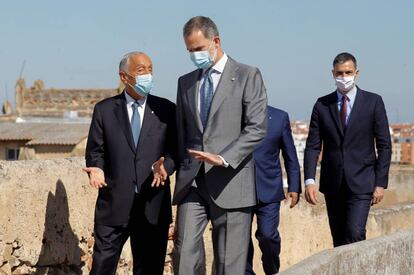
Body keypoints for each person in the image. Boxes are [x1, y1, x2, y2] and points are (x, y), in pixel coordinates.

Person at [172, 16, 268, 275]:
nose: (195, 55)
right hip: (192, 182)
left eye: (199, 48)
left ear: (216, 41)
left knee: (229, 265)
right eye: (190, 50)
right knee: (183, 255)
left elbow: (257, 127)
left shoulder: (248, 75)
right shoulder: (185, 82)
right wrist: (171, 164)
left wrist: (224, 158)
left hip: (231, 179)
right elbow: (181, 133)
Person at [83, 51, 177, 275]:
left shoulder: (167, 110)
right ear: (124, 77)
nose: (148, 75)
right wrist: (96, 169)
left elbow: (176, 152)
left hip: (152, 206)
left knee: (149, 269)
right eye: (141, 70)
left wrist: (167, 166)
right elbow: (95, 151)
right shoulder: (104, 110)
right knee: (102, 268)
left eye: (150, 69)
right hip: (113, 204)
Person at [304, 52, 392, 247]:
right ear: (333, 73)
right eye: (339, 73)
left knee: (355, 233)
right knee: (339, 239)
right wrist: (309, 180)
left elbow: (384, 145)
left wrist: (380, 183)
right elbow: (312, 146)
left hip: (362, 181)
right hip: (332, 182)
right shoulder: (321, 105)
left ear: (356, 73)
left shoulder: (373, 102)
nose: (344, 77)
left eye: (348, 72)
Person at [246, 106, 301, 275]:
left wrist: (294, 186)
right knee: (239, 242)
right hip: (238, 191)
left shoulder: (279, 117)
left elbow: (290, 154)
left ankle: (272, 270)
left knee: (268, 235)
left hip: (269, 189)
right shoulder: (232, 114)